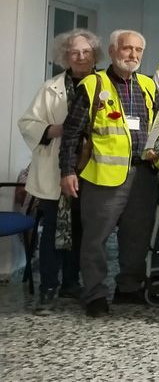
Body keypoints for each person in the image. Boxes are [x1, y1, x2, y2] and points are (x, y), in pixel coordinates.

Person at [58, 29, 159, 317]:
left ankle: (128, 288)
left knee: (136, 237)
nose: (133, 55)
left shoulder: (149, 86)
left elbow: (158, 129)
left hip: (143, 176)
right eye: (127, 49)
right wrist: (67, 172)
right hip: (103, 177)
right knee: (95, 239)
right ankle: (94, 294)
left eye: (138, 50)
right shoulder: (93, 85)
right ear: (114, 51)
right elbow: (71, 134)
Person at [19, 28, 99, 314]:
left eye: (86, 52)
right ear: (64, 57)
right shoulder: (50, 88)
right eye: (74, 52)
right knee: (54, 230)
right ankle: (48, 288)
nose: (80, 57)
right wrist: (59, 129)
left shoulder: (103, 84)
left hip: (93, 171)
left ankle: (72, 282)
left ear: (95, 55)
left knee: (81, 230)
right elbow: (27, 123)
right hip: (55, 170)